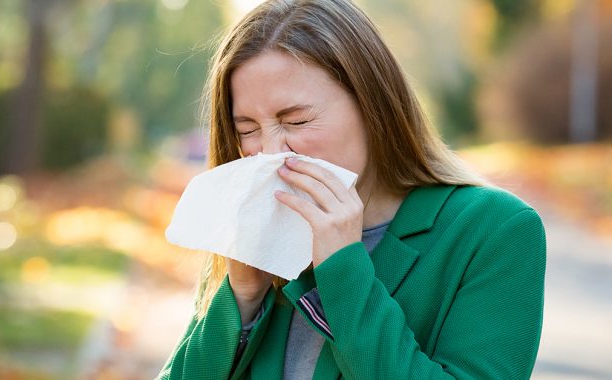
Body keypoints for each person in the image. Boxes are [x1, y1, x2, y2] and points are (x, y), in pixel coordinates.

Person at [157, 0, 546, 378]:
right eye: (248, 130)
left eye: (295, 121)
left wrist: (344, 270)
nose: (271, 151)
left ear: (372, 106)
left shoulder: (496, 231)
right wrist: (241, 296)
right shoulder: (258, 243)